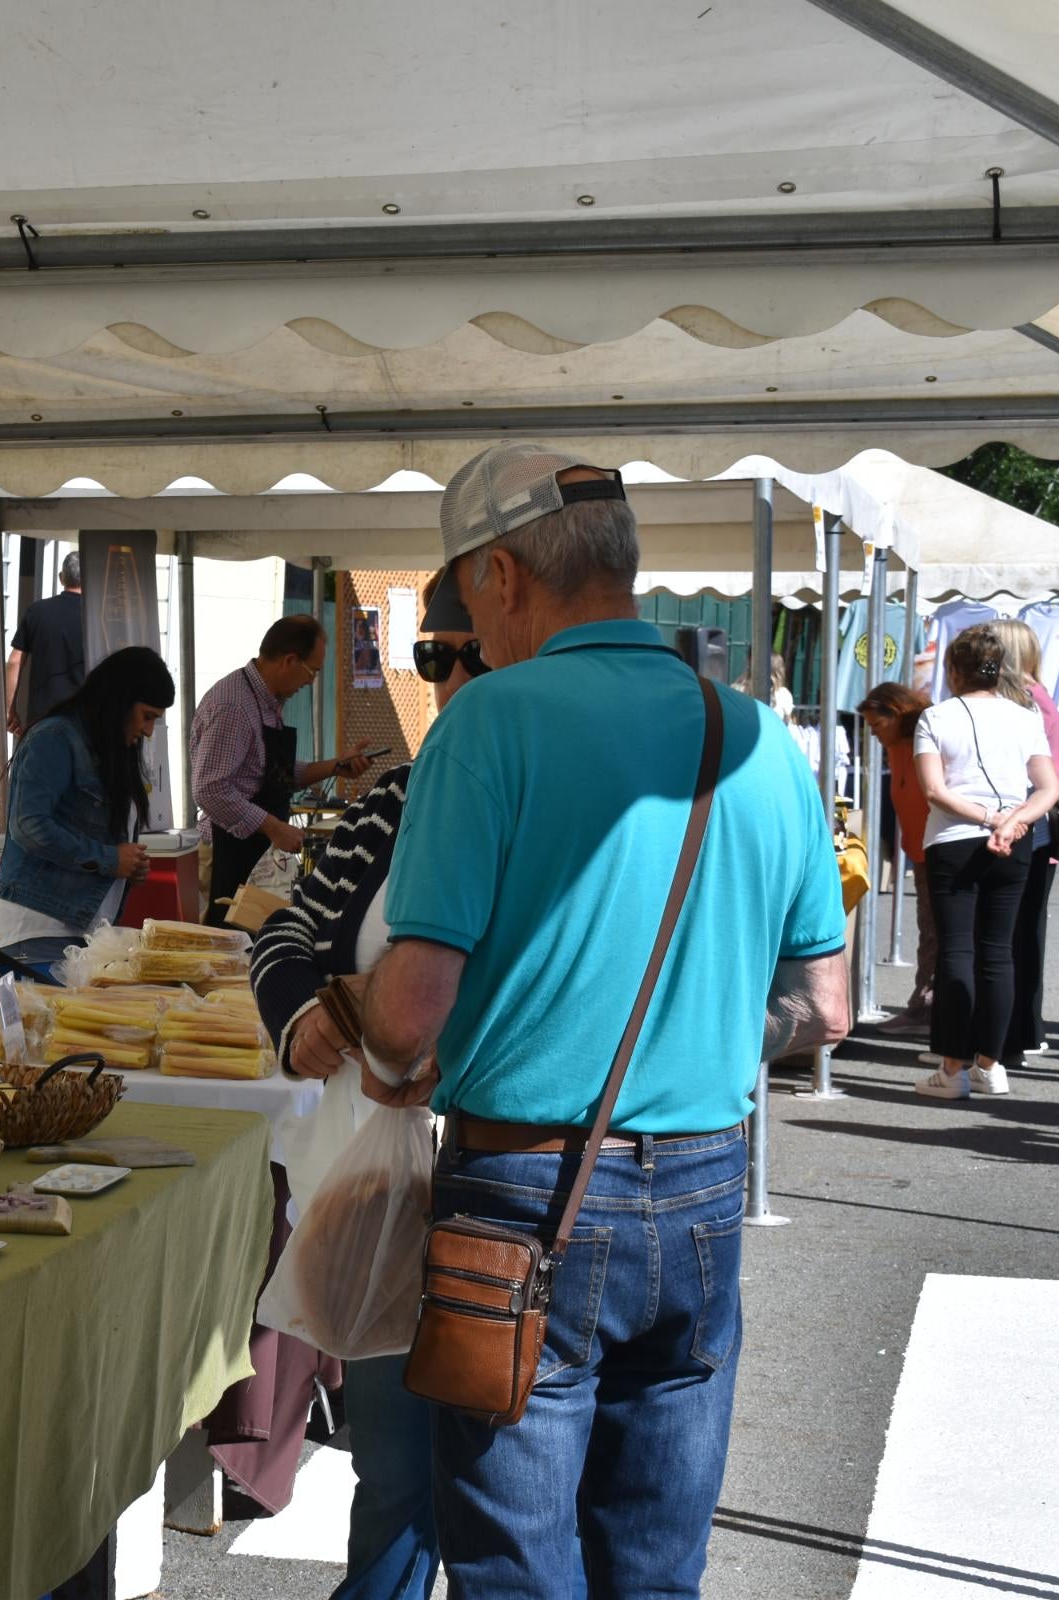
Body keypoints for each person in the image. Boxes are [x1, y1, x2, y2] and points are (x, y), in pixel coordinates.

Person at [356, 442, 849, 1596]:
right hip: (705, 1183)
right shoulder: (757, 736)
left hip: (523, 1190)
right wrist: (714, 1036)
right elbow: (824, 1007)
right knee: (655, 1562)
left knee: (518, 1565)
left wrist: (361, 1020)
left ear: (504, 575)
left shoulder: (485, 724)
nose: (468, 629)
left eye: (465, 595)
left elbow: (409, 1017)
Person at [249, 568, 485, 1600]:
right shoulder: (392, 798)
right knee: (391, 1454)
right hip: (381, 1181)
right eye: (430, 657)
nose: (445, 676)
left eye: (461, 652)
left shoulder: (564, 809)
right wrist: (303, 1012)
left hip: (513, 1173)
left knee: (507, 1474)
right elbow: (288, 931)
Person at [911, 625, 1059, 1099]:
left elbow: (935, 790)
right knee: (999, 954)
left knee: (957, 952)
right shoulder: (1025, 717)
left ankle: (952, 1070)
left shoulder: (935, 717)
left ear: (953, 669)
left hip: (954, 840)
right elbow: (1048, 788)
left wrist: (987, 817)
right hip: (1014, 843)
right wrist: (1012, 822)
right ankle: (991, 1065)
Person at [0, 646, 175, 968]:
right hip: (34, 931)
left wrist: (125, 865)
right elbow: (29, 826)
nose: (147, 731)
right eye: (147, 717)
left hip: (82, 932)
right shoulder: (54, 737)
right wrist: (109, 859)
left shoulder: (109, 749)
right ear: (119, 701)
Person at [191, 615, 376, 922]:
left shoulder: (265, 702)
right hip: (227, 855)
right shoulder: (234, 706)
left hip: (255, 853)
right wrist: (274, 827)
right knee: (226, 952)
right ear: (290, 660)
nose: (310, 683)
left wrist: (334, 767)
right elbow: (209, 789)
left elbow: (274, 775)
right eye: (312, 672)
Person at [987, 618, 1059, 1069]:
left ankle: (1009, 1036)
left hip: (1023, 826)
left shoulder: (1024, 701)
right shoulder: (1042, 697)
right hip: (1040, 829)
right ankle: (1025, 1029)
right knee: (1027, 935)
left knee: (1007, 938)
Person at [858, 682, 936, 1037]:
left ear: (896, 714)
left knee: (936, 934)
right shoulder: (898, 746)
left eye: (876, 724)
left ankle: (926, 1008)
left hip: (937, 852)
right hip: (922, 853)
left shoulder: (925, 740)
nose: (872, 733)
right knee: (931, 932)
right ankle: (924, 1005)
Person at [7, 551, 88, 735]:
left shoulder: (37, 611)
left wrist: (9, 710)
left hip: (41, 721)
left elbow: (14, 662)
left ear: (61, 578)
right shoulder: (97, 616)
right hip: (84, 722)